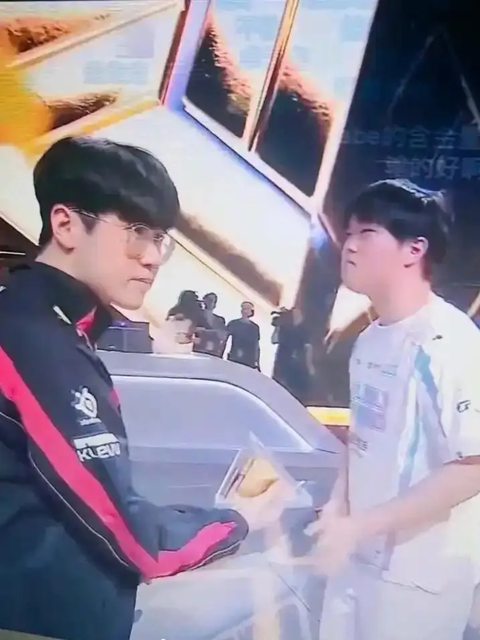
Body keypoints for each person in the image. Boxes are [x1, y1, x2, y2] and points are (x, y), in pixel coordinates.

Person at [0, 136, 248, 640]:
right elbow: (129, 536)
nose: (152, 257)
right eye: (136, 232)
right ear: (66, 224)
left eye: (160, 238)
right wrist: (235, 522)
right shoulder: (35, 337)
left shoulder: (47, 325)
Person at [314, 179, 480, 640]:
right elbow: (362, 439)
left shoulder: (448, 342)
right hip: (355, 561)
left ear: (414, 249)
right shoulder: (368, 340)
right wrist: (338, 506)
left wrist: (363, 525)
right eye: (349, 232)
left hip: (417, 578)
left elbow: (474, 465)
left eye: (367, 233)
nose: (349, 245)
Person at [272, 307, 315, 404]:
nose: (295, 316)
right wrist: (277, 327)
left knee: (296, 391)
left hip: (298, 364)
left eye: (298, 314)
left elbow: (308, 348)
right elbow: (274, 340)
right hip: (283, 362)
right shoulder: (284, 327)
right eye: (294, 314)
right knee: (279, 388)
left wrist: (309, 365)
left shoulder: (305, 330)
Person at [226, 301, 260, 369]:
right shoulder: (234, 323)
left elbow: (256, 345)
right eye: (244, 308)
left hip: (249, 361)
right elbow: (224, 338)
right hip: (235, 357)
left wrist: (257, 362)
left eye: (247, 309)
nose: (245, 311)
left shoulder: (255, 327)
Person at [194, 292, 227, 357]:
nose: (210, 302)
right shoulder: (196, 315)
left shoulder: (220, 320)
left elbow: (223, 336)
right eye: (209, 299)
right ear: (204, 301)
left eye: (213, 301)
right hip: (197, 351)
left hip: (213, 353)